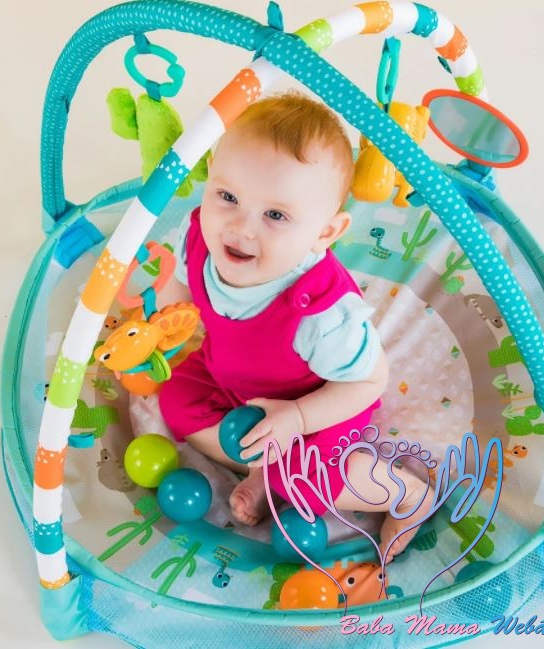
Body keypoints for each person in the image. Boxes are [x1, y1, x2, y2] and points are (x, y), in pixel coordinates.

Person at [158, 91, 433, 563]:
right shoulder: (199, 231)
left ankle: (408, 495)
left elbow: (369, 381)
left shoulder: (322, 314)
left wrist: (299, 419)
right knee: (176, 401)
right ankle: (264, 468)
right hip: (232, 380)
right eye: (228, 197)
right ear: (210, 180)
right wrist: (164, 325)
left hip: (317, 403)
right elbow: (181, 285)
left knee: (308, 480)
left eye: (276, 215)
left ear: (325, 233)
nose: (240, 228)